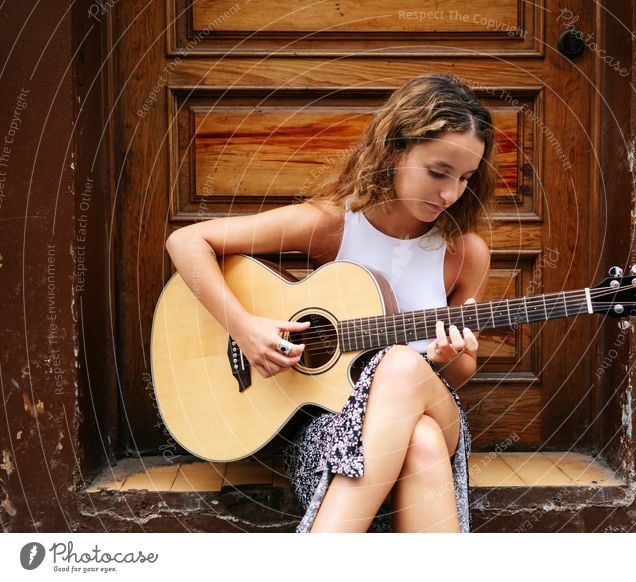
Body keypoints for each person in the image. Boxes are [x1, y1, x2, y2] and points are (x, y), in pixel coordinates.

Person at [165, 73, 496, 532]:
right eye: (439, 172)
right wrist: (245, 328)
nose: (450, 193)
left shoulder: (464, 253)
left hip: (436, 412)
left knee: (401, 365)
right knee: (418, 440)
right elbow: (188, 241)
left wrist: (449, 359)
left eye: (465, 178)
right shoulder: (334, 225)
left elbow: (459, 375)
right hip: (330, 429)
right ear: (394, 150)